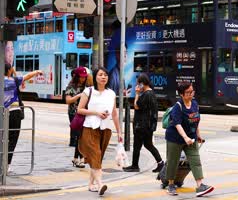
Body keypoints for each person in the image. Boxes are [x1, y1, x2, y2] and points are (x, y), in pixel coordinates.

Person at [77, 67, 122, 196]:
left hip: (106, 129)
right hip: (89, 128)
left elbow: (114, 114)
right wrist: (96, 113)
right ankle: (100, 184)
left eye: (106, 75)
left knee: (97, 158)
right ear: (95, 77)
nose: (104, 77)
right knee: (95, 154)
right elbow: (79, 109)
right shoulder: (88, 91)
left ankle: (91, 184)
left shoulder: (111, 93)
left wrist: (119, 132)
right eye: (101, 74)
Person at [164, 82, 214, 197]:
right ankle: (170, 185)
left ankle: (200, 186)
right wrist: (185, 138)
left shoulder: (195, 104)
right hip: (175, 138)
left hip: (191, 138)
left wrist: (198, 135)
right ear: (181, 94)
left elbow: (196, 121)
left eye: (192, 91)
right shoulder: (178, 106)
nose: (191, 94)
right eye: (188, 92)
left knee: (196, 161)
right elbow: (177, 124)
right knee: (173, 161)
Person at [123, 74, 164, 173]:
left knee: (137, 145)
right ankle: (160, 163)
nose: (137, 86)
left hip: (142, 125)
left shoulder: (146, 94)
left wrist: (137, 94)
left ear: (142, 84)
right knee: (148, 144)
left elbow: (137, 106)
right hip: (148, 125)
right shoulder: (151, 93)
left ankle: (135, 166)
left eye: (138, 84)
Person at [4, 64, 42, 165]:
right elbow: (28, 76)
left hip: (2, 113)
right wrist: (37, 71)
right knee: (12, 139)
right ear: (9, 70)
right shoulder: (13, 80)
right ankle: (6, 164)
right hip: (14, 112)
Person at [65, 66, 88, 168]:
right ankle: (81, 158)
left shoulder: (86, 87)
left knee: (81, 136)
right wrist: (78, 96)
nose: (83, 79)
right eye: (81, 77)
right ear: (77, 76)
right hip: (73, 114)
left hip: (83, 113)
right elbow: (68, 100)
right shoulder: (71, 87)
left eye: (84, 77)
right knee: (78, 135)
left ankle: (76, 158)